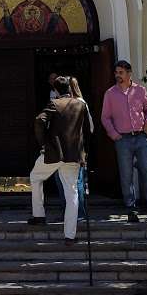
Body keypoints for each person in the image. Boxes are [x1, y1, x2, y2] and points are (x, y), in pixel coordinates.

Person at [28, 76, 92, 246]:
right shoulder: (81, 104)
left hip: (54, 153)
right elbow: (87, 130)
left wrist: (43, 143)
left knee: (35, 177)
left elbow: (39, 120)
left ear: (55, 90)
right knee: (72, 193)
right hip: (74, 155)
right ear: (69, 89)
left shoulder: (54, 103)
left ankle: (39, 215)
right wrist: (84, 152)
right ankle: (70, 236)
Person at [101, 60, 147, 222]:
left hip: (141, 137)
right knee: (126, 176)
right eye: (116, 73)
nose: (118, 76)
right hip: (122, 139)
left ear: (129, 73)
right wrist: (114, 134)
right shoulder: (110, 94)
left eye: (121, 73)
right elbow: (105, 117)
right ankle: (131, 210)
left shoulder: (140, 90)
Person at [69, 76, 91, 219]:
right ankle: (73, 212)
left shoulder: (80, 104)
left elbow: (89, 127)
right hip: (76, 148)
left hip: (77, 148)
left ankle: (80, 213)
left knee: (78, 182)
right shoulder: (79, 103)